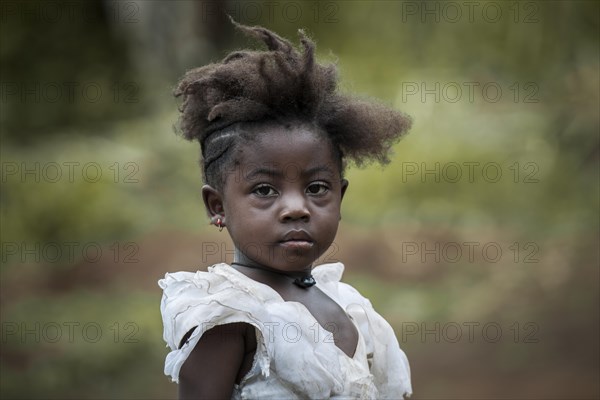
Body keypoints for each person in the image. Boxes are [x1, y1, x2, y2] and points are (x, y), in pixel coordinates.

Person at [159, 19, 413, 399]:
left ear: (340, 198)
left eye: (316, 188)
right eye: (264, 190)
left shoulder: (350, 307)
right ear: (218, 206)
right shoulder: (230, 317)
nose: (296, 208)